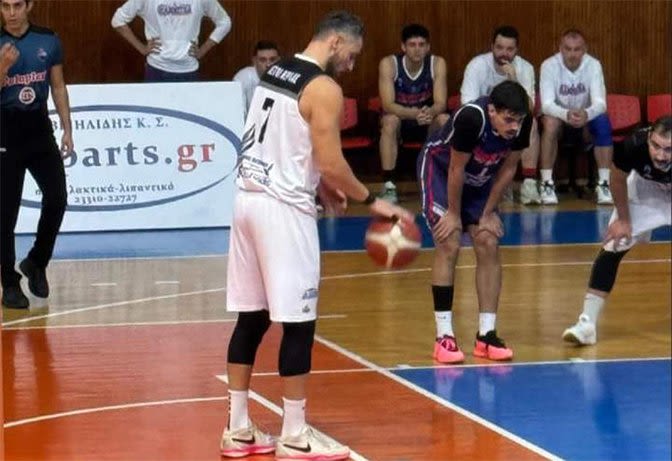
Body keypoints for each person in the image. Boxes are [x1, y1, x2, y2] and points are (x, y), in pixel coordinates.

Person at [219, 11, 413, 459]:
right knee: (299, 323)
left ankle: (238, 429)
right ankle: (295, 434)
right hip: (284, 213)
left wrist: (321, 184)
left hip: (247, 200)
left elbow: (283, 140)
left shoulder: (276, 71)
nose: (351, 64)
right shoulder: (324, 87)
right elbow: (330, 160)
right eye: (352, 55)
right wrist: (372, 200)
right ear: (337, 41)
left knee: (252, 318)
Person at [417, 80, 532, 363]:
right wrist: (453, 214)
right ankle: (444, 337)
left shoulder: (523, 122)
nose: (514, 126)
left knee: (488, 240)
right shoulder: (472, 118)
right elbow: (456, 169)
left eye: (518, 120)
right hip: (442, 171)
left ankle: (486, 335)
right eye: (508, 119)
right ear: (492, 110)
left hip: (480, 177)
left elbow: (509, 167)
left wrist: (487, 212)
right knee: (449, 240)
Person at [563, 116, 671, 345]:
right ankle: (587, 324)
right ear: (649, 137)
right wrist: (623, 219)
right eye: (656, 146)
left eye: (668, 150)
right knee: (614, 244)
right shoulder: (633, 144)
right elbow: (618, 178)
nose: (660, 156)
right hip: (645, 188)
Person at [0, 0, 72, 309]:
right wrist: (3, 67)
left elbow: (58, 86)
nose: (11, 13)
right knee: (5, 214)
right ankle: (9, 283)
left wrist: (67, 128)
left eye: (17, 5)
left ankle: (36, 261)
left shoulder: (48, 39)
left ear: (29, 6)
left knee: (57, 198)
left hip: (39, 128)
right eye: (5, 6)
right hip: (5, 129)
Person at [460, 25, 541, 205]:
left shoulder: (525, 68)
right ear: (492, 47)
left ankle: (528, 184)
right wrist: (495, 119)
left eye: (509, 49)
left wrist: (514, 80)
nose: (504, 53)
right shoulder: (477, 66)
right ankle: (491, 182)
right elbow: (468, 106)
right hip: (484, 121)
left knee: (531, 123)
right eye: (499, 47)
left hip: (511, 122)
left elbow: (528, 108)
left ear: (516, 50)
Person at [539, 28, 614, 205]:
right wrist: (566, 114)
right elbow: (547, 104)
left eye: (577, 49)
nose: (572, 54)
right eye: (568, 49)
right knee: (549, 123)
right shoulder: (548, 65)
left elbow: (600, 103)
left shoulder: (593, 65)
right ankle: (547, 183)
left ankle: (604, 184)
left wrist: (586, 114)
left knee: (603, 122)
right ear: (560, 48)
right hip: (559, 118)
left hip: (585, 118)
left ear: (584, 49)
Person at [378, 23, 449, 203]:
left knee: (444, 119)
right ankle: (389, 185)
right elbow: (388, 105)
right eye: (412, 45)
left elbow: (441, 103)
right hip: (401, 121)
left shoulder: (437, 63)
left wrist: (430, 111)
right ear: (403, 47)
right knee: (389, 121)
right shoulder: (389, 64)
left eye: (421, 45)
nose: (417, 49)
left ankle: (443, 180)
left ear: (428, 47)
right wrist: (413, 114)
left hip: (426, 121)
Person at [111, 0, 231, 82]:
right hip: (156, 69)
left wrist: (202, 50)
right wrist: (141, 48)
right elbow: (118, 20)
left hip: (188, 70)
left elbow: (224, 22)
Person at [233, 40, 280, 118]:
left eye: (272, 60)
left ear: (279, 60)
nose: (268, 64)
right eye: (263, 60)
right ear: (254, 61)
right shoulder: (244, 77)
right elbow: (238, 114)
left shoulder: (287, 79)